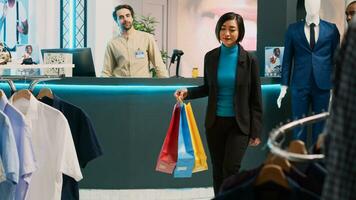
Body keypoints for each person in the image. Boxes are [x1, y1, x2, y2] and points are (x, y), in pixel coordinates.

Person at [174, 12, 262, 196]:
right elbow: (208, 88)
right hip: (215, 122)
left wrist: (256, 131)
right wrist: (188, 92)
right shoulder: (211, 57)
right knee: (218, 170)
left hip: (240, 125)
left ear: (240, 32)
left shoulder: (250, 59)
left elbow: (255, 98)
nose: (227, 33)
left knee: (230, 169)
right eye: (223, 29)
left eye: (232, 29)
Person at [276, 0, 340, 144]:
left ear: (320, 5)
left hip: (323, 86)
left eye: (315, 2)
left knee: (321, 128)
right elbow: (287, 60)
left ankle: (318, 165)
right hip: (300, 85)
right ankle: (300, 164)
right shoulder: (293, 29)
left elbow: (336, 61)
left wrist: (335, 87)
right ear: (304, 5)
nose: (312, 5)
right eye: (308, 2)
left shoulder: (331, 29)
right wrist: (284, 86)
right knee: (299, 126)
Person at [101, 4, 168, 78]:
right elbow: (106, 71)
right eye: (121, 17)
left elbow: (159, 65)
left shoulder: (147, 38)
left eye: (128, 15)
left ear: (132, 18)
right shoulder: (112, 43)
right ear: (116, 21)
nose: (125, 19)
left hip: (142, 86)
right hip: (121, 86)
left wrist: (166, 85)